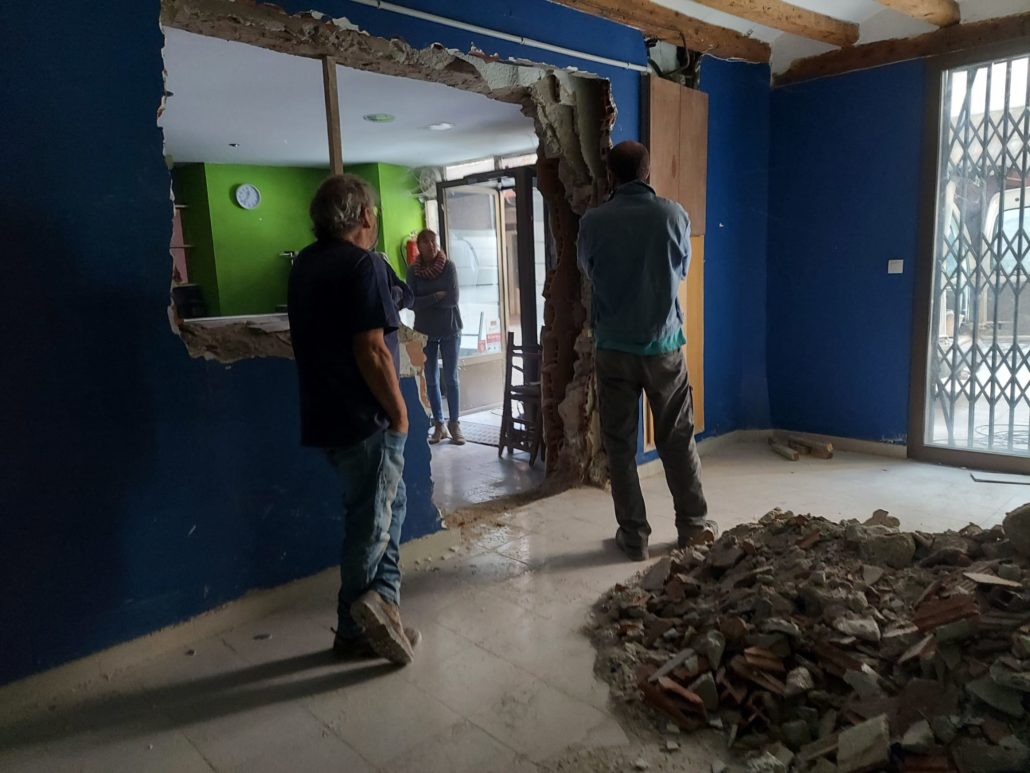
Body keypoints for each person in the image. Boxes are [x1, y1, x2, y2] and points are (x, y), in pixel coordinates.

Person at [288, 174, 419, 665]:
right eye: (375, 212)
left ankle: (385, 612)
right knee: (372, 523)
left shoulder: (305, 264)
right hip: (364, 417)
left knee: (388, 508)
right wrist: (399, 412)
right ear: (365, 215)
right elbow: (372, 349)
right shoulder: (362, 264)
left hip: (324, 411)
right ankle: (352, 627)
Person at [577, 141, 715, 562]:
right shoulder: (673, 215)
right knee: (677, 438)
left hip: (613, 348)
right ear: (648, 172)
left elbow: (588, 270)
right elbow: (681, 269)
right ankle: (693, 527)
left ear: (612, 175)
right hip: (663, 348)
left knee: (620, 446)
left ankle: (634, 536)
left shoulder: (593, 222)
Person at [407, 228, 465, 446]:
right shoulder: (413, 271)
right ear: (419, 247)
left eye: (434, 241)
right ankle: (439, 425)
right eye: (426, 242)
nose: (431, 246)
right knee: (430, 379)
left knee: (451, 378)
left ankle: (455, 424)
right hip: (425, 331)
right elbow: (411, 302)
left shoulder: (448, 266)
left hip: (450, 328)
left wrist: (426, 301)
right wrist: (436, 296)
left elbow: (453, 299)